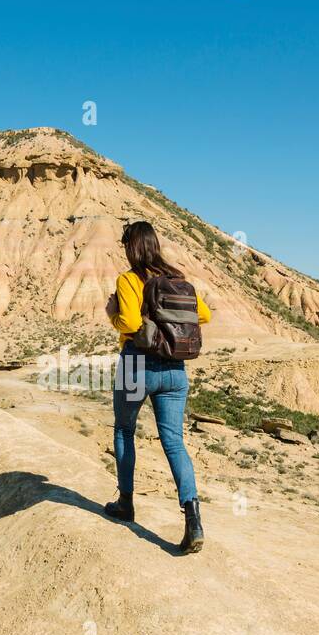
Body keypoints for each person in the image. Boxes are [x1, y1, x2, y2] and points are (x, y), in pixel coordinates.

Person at [104, 221, 212, 553]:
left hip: (138, 363)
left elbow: (132, 324)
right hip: (175, 369)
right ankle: (192, 517)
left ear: (131, 248)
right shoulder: (177, 280)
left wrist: (113, 314)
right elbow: (203, 315)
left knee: (124, 429)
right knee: (174, 442)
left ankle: (125, 502)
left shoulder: (129, 279)